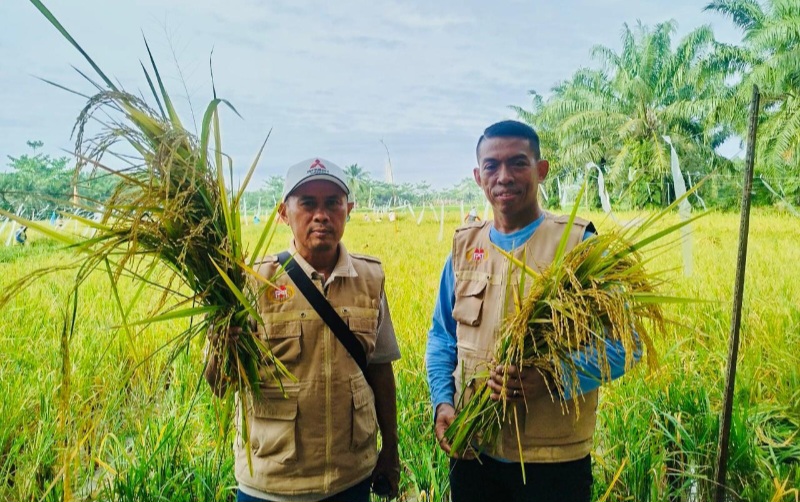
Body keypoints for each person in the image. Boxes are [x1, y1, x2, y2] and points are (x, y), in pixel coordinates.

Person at [425, 120, 640, 502]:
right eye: (492, 166)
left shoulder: (578, 245)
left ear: (541, 170)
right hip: (473, 448)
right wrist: (443, 402)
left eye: (517, 163)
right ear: (478, 176)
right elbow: (442, 338)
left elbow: (628, 345)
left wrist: (552, 378)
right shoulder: (465, 248)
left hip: (552, 462)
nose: (503, 177)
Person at [205, 158, 401, 502]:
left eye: (333, 203)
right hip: (272, 481)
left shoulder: (369, 279)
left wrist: (391, 448)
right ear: (284, 213)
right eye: (308, 203)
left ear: (348, 210)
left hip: (350, 476)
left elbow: (380, 370)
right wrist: (223, 346)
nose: (321, 215)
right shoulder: (251, 282)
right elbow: (219, 386)